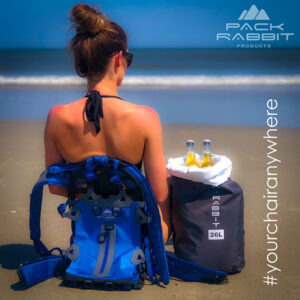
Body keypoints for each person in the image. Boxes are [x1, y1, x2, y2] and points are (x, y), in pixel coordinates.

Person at [43, 3, 171, 243]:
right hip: (132, 240)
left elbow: (56, 187)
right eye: (128, 59)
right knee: (170, 192)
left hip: (89, 235)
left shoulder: (57, 117)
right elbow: (159, 193)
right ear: (118, 58)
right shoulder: (146, 117)